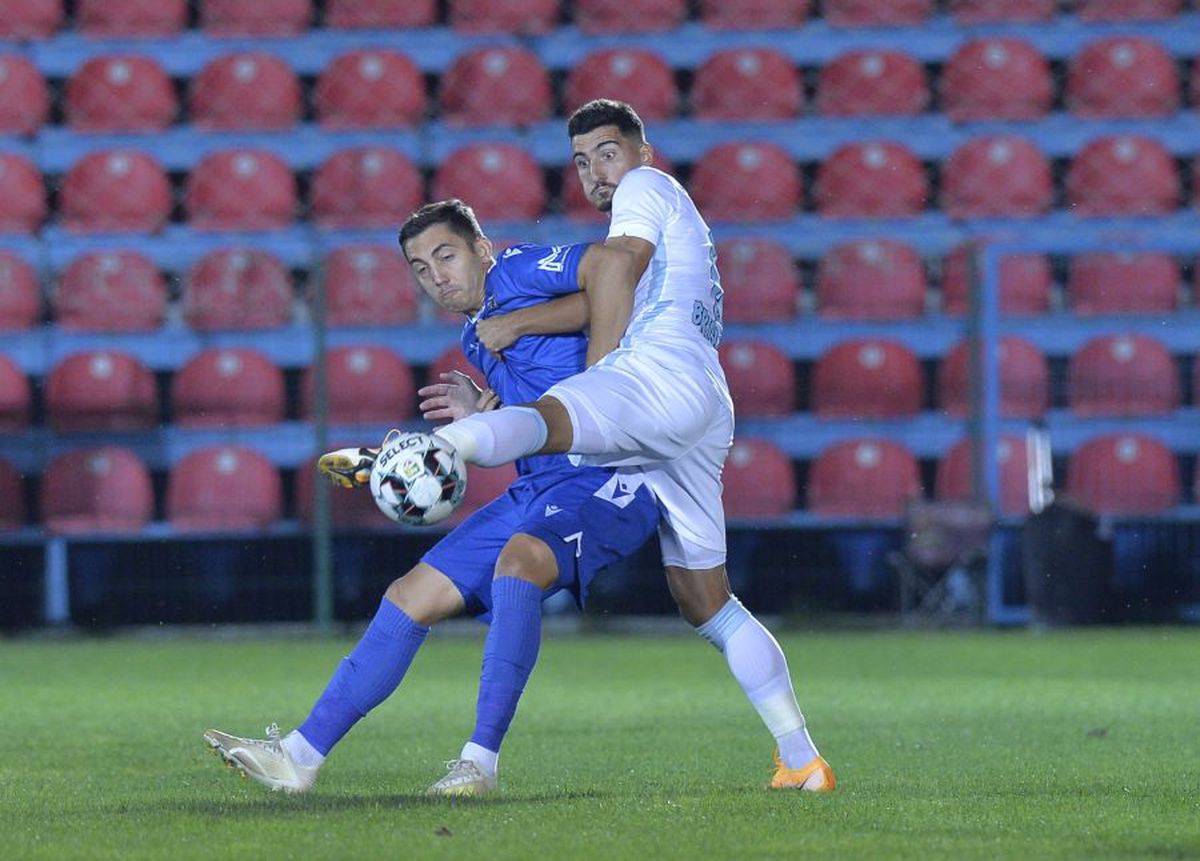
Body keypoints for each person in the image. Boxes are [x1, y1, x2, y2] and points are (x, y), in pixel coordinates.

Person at [422, 100, 835, 792]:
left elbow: (617, 264)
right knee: (706, 601)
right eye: (582, 162)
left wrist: (601, 374)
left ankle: (438, 452)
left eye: (607, 152)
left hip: (659, 376)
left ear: (645, 151)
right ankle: (802, 758)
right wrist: (525, 328)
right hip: (703, 401)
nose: (595, 173)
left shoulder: (647, 188)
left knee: (557, 418)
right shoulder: (682, 217)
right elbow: (611, 286)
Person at [203, 200, 660, 797]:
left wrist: (526, 330)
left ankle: (480, 764)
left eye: (446, 255)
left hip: (609, 477)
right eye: (420, 267)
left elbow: (613, 272)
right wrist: (485, 411)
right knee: (408, 596)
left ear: (482, 248)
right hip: (540, 484)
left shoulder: (518, 271)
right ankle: (298, 757)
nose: (436, 274)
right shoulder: (475, 336)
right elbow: (539, 401)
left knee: (518, 563)